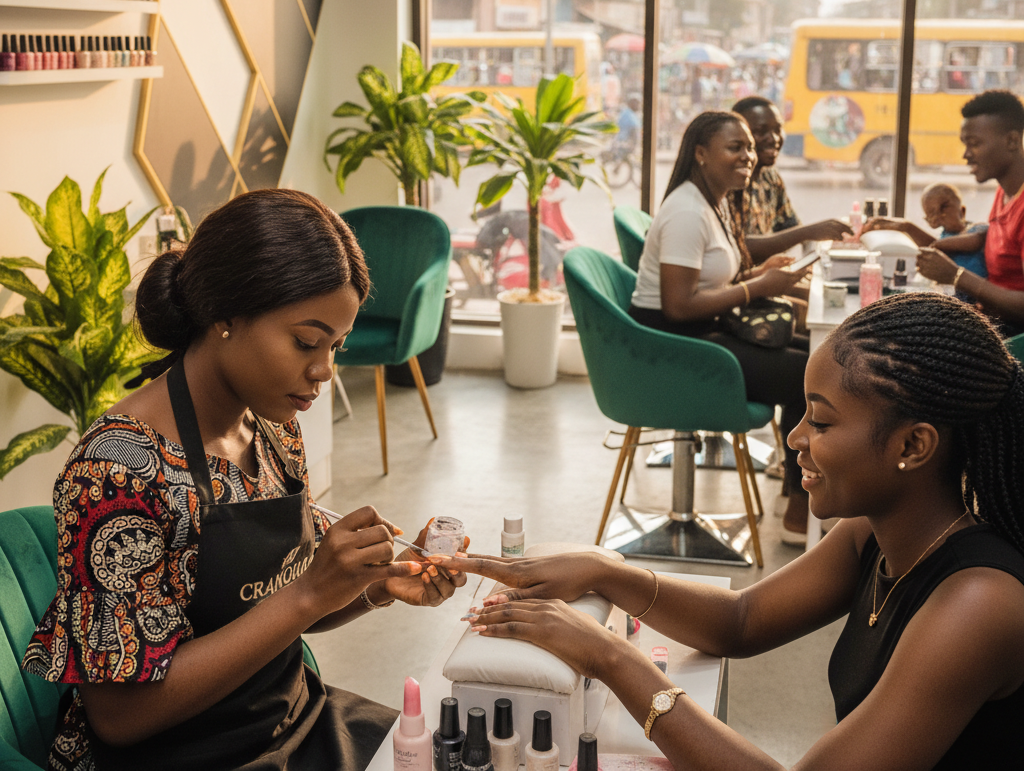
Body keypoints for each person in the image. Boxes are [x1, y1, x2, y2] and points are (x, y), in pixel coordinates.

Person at [441, 292, 1024, 771]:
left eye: (820, 421)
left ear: (912, 445)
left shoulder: (981, 603)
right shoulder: (870, 536)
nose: (794, 439)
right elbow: (740, 622)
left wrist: (609, 656)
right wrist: (603, 569)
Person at [21, 189, 468, 771]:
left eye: (336, 345)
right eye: (306, 342)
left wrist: (373, 585)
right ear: (224, 316)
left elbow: (275, 606)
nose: (324, 371)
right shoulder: (119, 470)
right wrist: (309, 591)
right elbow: (120, 716)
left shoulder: (270, 427)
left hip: (291, 722)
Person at [627, 110, 812, 542]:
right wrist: (758, 287)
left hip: (699, 334)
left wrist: (757, 275)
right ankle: (800, 502)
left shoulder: (713, 203)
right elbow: (677, 306)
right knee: (808, 375)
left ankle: (798, 490)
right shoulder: (687, 211)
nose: (749, 156)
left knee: (817, 355)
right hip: (671, 349)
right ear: (701, 153)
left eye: (748, 147)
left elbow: (709, 284)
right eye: (736, 147)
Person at [915, 90, 1024, 337]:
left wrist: (956, 276)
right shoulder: (1006, 193)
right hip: (989, 320)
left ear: (1012, 141)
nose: (966, 154)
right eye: (965, 144)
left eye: (974, 144)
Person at [731, 96, 851, 262]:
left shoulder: (770, 177)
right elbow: (737, 247)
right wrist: (808, 232)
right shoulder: (730, 183)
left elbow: (791, 227)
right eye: (760, 131)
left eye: (778, 129)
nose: (774, 139)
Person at [864, 182, 988, 300]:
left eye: (944, 207)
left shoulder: (977, 229)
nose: (940, 215)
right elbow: (936, 248)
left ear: (962, 210)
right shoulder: (945, 236)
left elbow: (975, 241)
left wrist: (938, 245)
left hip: (976, 296)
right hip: (953, 296)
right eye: (932, 214)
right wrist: (906, 227)